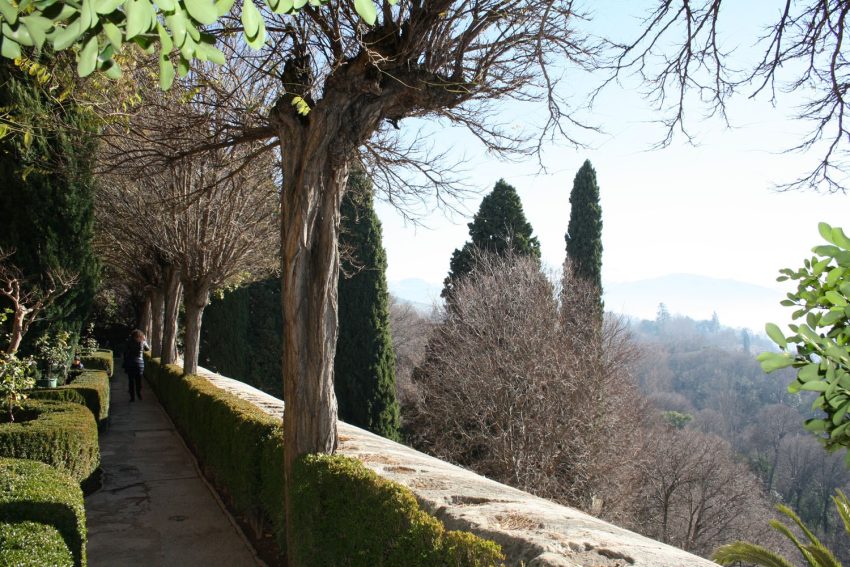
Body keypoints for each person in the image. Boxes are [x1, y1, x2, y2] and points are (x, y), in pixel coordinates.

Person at [123, 329, 150, 402]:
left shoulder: (129, 342)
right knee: (138, 380)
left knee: (131, 381)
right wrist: (145, 340)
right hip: (139, 364)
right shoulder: (142, 342)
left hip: (130, 363)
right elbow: (147, 349)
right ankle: (138, 393)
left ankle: (132, 397)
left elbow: (125, 352)